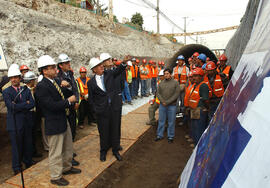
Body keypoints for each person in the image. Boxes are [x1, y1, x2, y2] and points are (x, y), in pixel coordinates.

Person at [35, 55, 81, 186]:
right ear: (44, 70)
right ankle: (55, 176)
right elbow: (50, 106)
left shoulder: (53, 82)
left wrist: (69, 90)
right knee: (55, 151)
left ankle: (66, 168)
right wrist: (68, 101)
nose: (56, 69)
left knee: (67, 146)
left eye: (55, 67)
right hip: (54, 123)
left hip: (62, 119)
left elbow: (61, 95)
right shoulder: (42, 86)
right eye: (52, 67)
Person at [88, 56, 128, 162]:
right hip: (102, 112)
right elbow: (91, 100)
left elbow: (119, 69)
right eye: (98, 65)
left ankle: (115, 150)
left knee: (115, 129)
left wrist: (123, 62)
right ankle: (103, 151)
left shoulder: (109, 74)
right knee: (103, 132)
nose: (101, 66)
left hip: (113, 109)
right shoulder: (91, 83)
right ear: (94, 70)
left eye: (101, 64)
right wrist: (96, 111)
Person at [2, 64, 35, 175]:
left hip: (26, 122)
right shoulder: (6, 92)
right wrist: (25, 104)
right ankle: (16, 166)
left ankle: (28, 161)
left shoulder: (25, 89)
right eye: (12, 78)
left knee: (28, 143)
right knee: (16, 146)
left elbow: (32, 103)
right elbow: (11, 107)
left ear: (20, 77)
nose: (14, 79)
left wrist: (19, 105)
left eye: (16, 77)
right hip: (15, 124)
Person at [57, 53, 80, 166]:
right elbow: (61, 92)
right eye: (66, 63)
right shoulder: (58, 77)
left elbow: (75, 87)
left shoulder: (70, 73)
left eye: (68, 62)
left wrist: (76, 101)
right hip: (64, 106)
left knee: (73, 129)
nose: (69, 64)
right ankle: (67, 156)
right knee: (67, 132)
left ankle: (70, 152)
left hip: (72, 105)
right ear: (61, 65)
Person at [155, 68, 180, 143]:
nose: (165, 75)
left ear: (171, 74)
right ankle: (159, 135)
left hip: (172, 105)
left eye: (167, 74)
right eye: (164, 74)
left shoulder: (175, 83)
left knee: (171, 121)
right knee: (161, 121)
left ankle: (170, 136)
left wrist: (168, 101)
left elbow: (176, 94)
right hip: (163, 105)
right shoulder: (161, 83)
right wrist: (163, 101)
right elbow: (158, 93)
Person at [23, 71, 43, 158]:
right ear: (31, 81)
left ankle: (34, 152)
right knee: (29, 136)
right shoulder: (24, 91)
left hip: (34, 114)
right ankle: (30, 154)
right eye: (33, 80)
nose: (35, 81)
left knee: (33, 135)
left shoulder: (33, 89)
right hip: (28, 115)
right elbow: (28, 104)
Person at [188, 68, 209, 145]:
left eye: (196, 76)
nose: (194, 78)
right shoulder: (195, 85)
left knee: (199, 128)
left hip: (200, 110)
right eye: (193, 76)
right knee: (194, 126)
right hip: (194, 109)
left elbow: (206, 100)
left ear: (201, 77)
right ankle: (195, 140)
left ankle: (198, 145)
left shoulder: (203, 86)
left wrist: (206, 108)